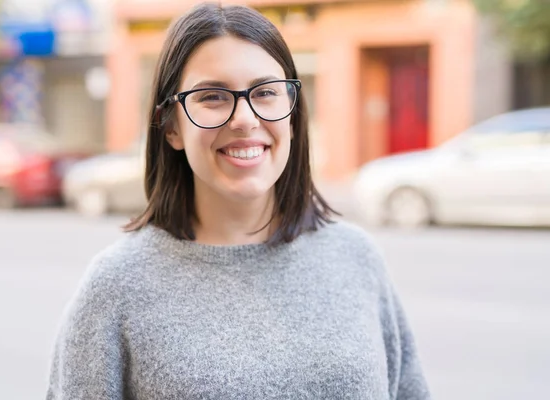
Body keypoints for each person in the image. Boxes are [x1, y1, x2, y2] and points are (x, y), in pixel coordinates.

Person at [46, 3, 430, 399]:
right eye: (212, 96)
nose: (244, 118)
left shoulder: (355, 258)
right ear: (172, 127)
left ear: (293, 115)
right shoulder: (117, 285)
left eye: (265, 93)